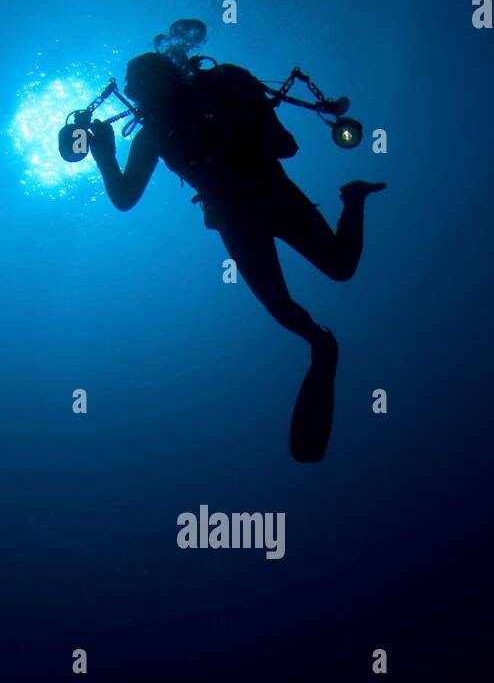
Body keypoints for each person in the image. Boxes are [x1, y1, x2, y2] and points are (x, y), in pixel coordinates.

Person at [88, 50, 385, 461]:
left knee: (341, 267)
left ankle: (353, 200)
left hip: (274, 196)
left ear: (167, 74)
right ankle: (321, 345)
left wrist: (235, 124)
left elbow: (287, 145)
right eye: (133, 86)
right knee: (281, 309)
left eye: (141, 81)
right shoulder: (153, 132)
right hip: (235, 221)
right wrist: (104, 155)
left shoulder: (224, 84)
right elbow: (124, 197)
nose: (136, 92)